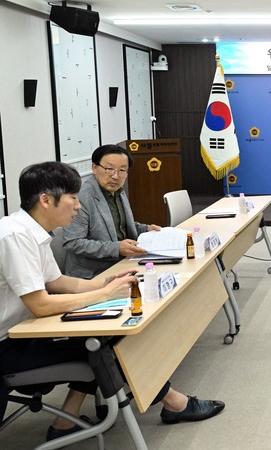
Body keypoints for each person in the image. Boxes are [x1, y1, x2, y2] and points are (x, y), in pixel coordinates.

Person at [0, 162, 224, 443]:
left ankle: (65, 422)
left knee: (103, 339)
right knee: (109, 349)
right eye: (73, 198)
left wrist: (104, 283)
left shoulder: (32, 232)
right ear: (46, 200)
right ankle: (175, 403)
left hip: (24, 334)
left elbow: (56, 282)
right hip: (8, 346)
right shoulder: (15, 235)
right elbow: (40, 305)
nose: (78, 206)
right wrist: (104, 295)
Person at [63, 145, 162, 279]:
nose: (115, 176)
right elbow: (73, 242)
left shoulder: (118, 191)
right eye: (109, 169)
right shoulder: (81, 198)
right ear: (94, 168)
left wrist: (146, 229)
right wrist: (116, 248)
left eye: (122, 170)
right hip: (93, 275)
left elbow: (119, 226)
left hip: (123, 264)